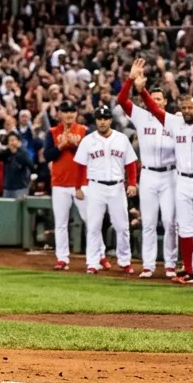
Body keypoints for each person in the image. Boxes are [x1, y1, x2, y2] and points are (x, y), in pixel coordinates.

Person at [135, 56, 193, 284]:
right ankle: (189, 271)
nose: (186, 110)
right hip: (182, 180)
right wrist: (142, 91)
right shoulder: (174, 123)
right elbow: (154, 110)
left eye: (190, 107)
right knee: (184, 227)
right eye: (183, 108)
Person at [117, 62, 178, 278]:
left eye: (159, 99)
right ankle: (149, 265)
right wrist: (130, 80)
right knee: (149, 222)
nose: (156, 101)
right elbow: (121, 100)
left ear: (166, 101)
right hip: (149, 174)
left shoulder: (174, 120)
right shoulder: (141, 116)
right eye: (153, 98)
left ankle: (170, 264)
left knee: (170, 222)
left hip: (170, 174)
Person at [72, 104, 138, 274]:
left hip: (117, 186)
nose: (102, 122)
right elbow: (80, 166)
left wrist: (132, 183)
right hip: (95, 187)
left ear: (110, 120)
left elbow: (130, 163)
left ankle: (124, 260)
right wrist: (78, 187)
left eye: (105, 118)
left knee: (122, 226)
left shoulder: (121, 139)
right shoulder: (88, 140)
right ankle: (93, 262)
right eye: (99, 118)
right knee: (94, 226)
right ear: (96, 120)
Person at [43, 101, 87, 271]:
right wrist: (61, 146)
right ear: (60, 114)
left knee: (91, 220)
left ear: (76, 114)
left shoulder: (84, 130)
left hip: (81, 183)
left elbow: (90, 154)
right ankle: (62, 258)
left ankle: (99, 255)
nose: (69, 114)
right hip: (60, 183)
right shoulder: (52, 132)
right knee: (61, 223)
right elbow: (47, 155)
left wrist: (75, 145)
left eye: (72, 111)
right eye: (65, 111)